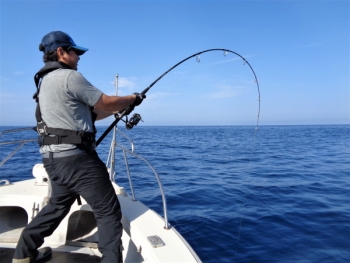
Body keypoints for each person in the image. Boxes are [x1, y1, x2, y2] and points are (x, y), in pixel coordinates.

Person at [12, 31, 144, 263]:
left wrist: (119, 109)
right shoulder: (69, 77)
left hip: (54, 161)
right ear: (62, 52)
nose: (79, 57)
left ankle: (23, 255)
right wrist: (131, 98)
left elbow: (92, 114)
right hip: (78, 161)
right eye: (75, 52)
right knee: (107, 212)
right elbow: (105, 101)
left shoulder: (45, 83)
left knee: (56, 207)